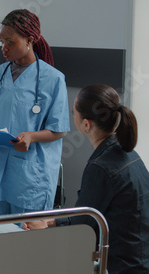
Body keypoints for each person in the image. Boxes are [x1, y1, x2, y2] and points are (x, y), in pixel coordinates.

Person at [23, 84, 149, 273]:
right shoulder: (128, 154)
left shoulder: (101, 167)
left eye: (74, 112)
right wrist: (54, 221)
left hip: (124, 266)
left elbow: (84, 226)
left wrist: (45, 229)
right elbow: (91, 213)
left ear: (86, 124)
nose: (72, 116)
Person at [0, 9, 70, 216]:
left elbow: (59, 130)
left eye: (10, 42)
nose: (4, 48)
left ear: (29, 40)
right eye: (1, 42)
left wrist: (31, 136)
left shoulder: (53, 79)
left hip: (30, 175)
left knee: (27, 238)